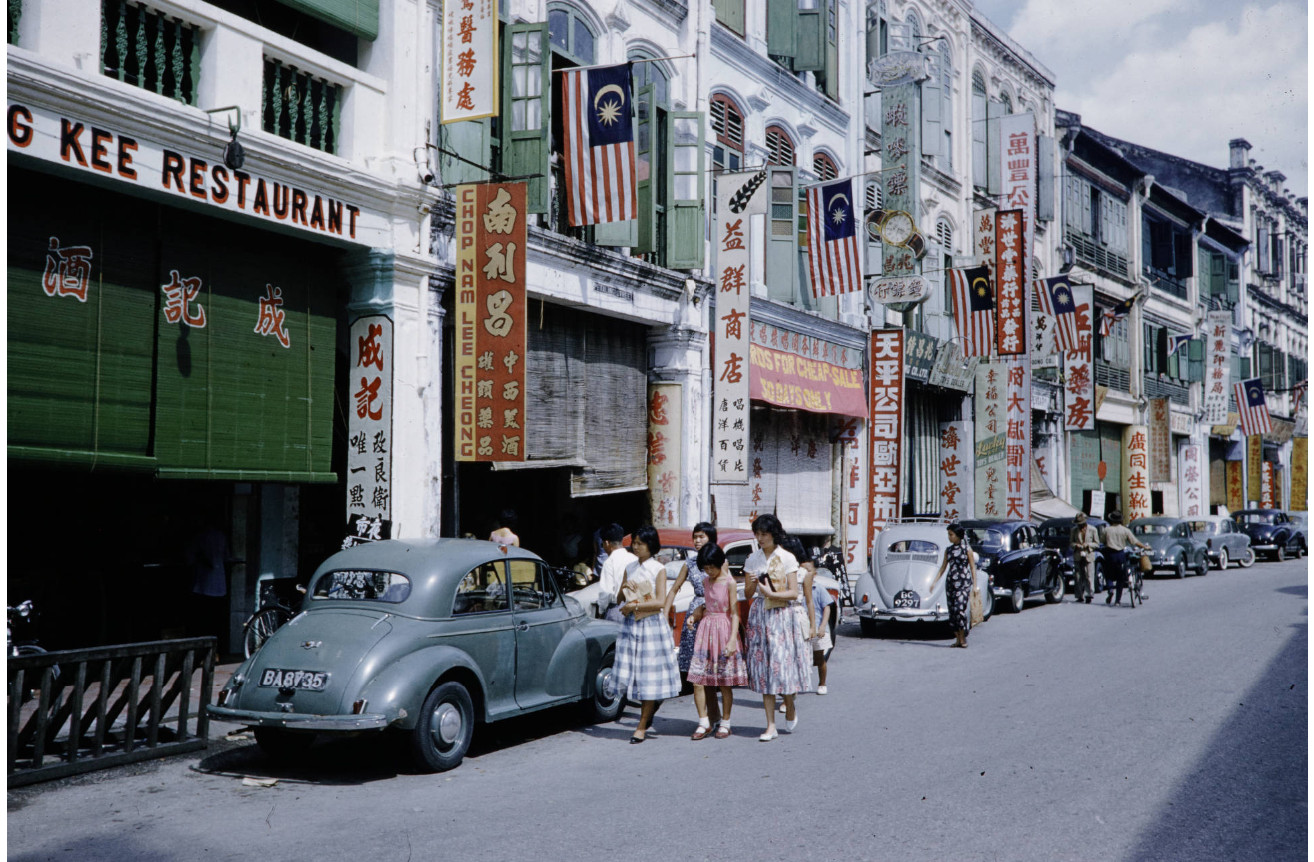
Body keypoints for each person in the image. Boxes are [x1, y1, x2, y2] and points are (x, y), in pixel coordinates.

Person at [743, 514, 813, 741]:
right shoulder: (753, 559)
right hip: (761, 615)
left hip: (782, 614)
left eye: (764, 534)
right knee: (764, 669)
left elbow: (794, 592)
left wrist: (772, 593)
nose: (760, 538)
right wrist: (753, 583)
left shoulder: (787, 558)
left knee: (782, 666)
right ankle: (770, 725)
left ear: (774, 534)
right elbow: (747, 594)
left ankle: (790, 702)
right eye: (758, 534)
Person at [612, 526, 681, 743]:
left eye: (641, 543)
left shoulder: (657, 569)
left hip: (650, 625)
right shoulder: (630, 567)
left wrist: (635, 606)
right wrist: (624, 588)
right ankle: (648, 712)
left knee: (648, 675)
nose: (636, 547)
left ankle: (641, 726)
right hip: (632, 625)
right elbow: (618, 599)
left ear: (651, 545)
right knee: (635, 673)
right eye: (635, 543)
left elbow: (660, 602)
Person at [685, 543, 746, 740]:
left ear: (720, 564)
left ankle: (726, 723)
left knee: (724, 682)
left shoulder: (730, 582)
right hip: (706, 630)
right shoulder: (705, 581)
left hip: (725, 629)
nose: (709, 571)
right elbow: (706, 605)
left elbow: (735, 613)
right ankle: (704, 722)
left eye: (712, 567)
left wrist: (731, 641)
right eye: (706, 568)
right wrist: (695, 616)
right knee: (697, 679)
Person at [665, 522, 720, 720]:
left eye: (701, 537)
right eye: (695, 537)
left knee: (712, 674)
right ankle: (705, 719)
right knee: (697, 673)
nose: (697, 541)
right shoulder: (689, 563)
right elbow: (674, 589)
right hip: (694, 618)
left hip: (714, 614)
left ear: (711, 539)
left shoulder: (720, 561)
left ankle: (717, 718)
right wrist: (664, 614)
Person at [928, 522, 979, 649]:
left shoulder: (967, 549)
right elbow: (943, 567)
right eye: (948, 534)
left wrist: (975, 585)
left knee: (959, 609)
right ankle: (957, 639)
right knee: (952, 612)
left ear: (958, 535)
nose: (949, 537)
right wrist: (934, 582)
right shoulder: (949, 550)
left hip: (963, 582)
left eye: (951, 534)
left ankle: (963, 637)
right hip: (950, 583)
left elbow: (972, 567)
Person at [1101, 511, 1150, 607]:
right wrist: (1144, 547)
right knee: (1120, 578)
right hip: (1120, 554)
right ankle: (1117, 601)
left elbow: (1102, 541)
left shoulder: (1106, 530)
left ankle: (1110, 589)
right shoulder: (1125, 530)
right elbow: (1134, 541)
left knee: (1108, 574)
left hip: (1109, 554)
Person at [596, 523, 637, 623]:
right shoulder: (635, 559)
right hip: (636, 608)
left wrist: (601, 611)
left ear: (606, 543)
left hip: (617, 610)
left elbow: (606, 592)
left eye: (602, 544)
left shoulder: (609, 562)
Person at [1070, 513, 1100, 604]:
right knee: (1078, 576)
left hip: (1089, 554)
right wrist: (1076, 545)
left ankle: (1089, 594)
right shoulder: (1074, 530)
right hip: (1078, 555)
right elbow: (1071, 543)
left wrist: (1088, 545)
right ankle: (1079, 595)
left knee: (1089, 576)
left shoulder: (1092, 529)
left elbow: (1097, 543)